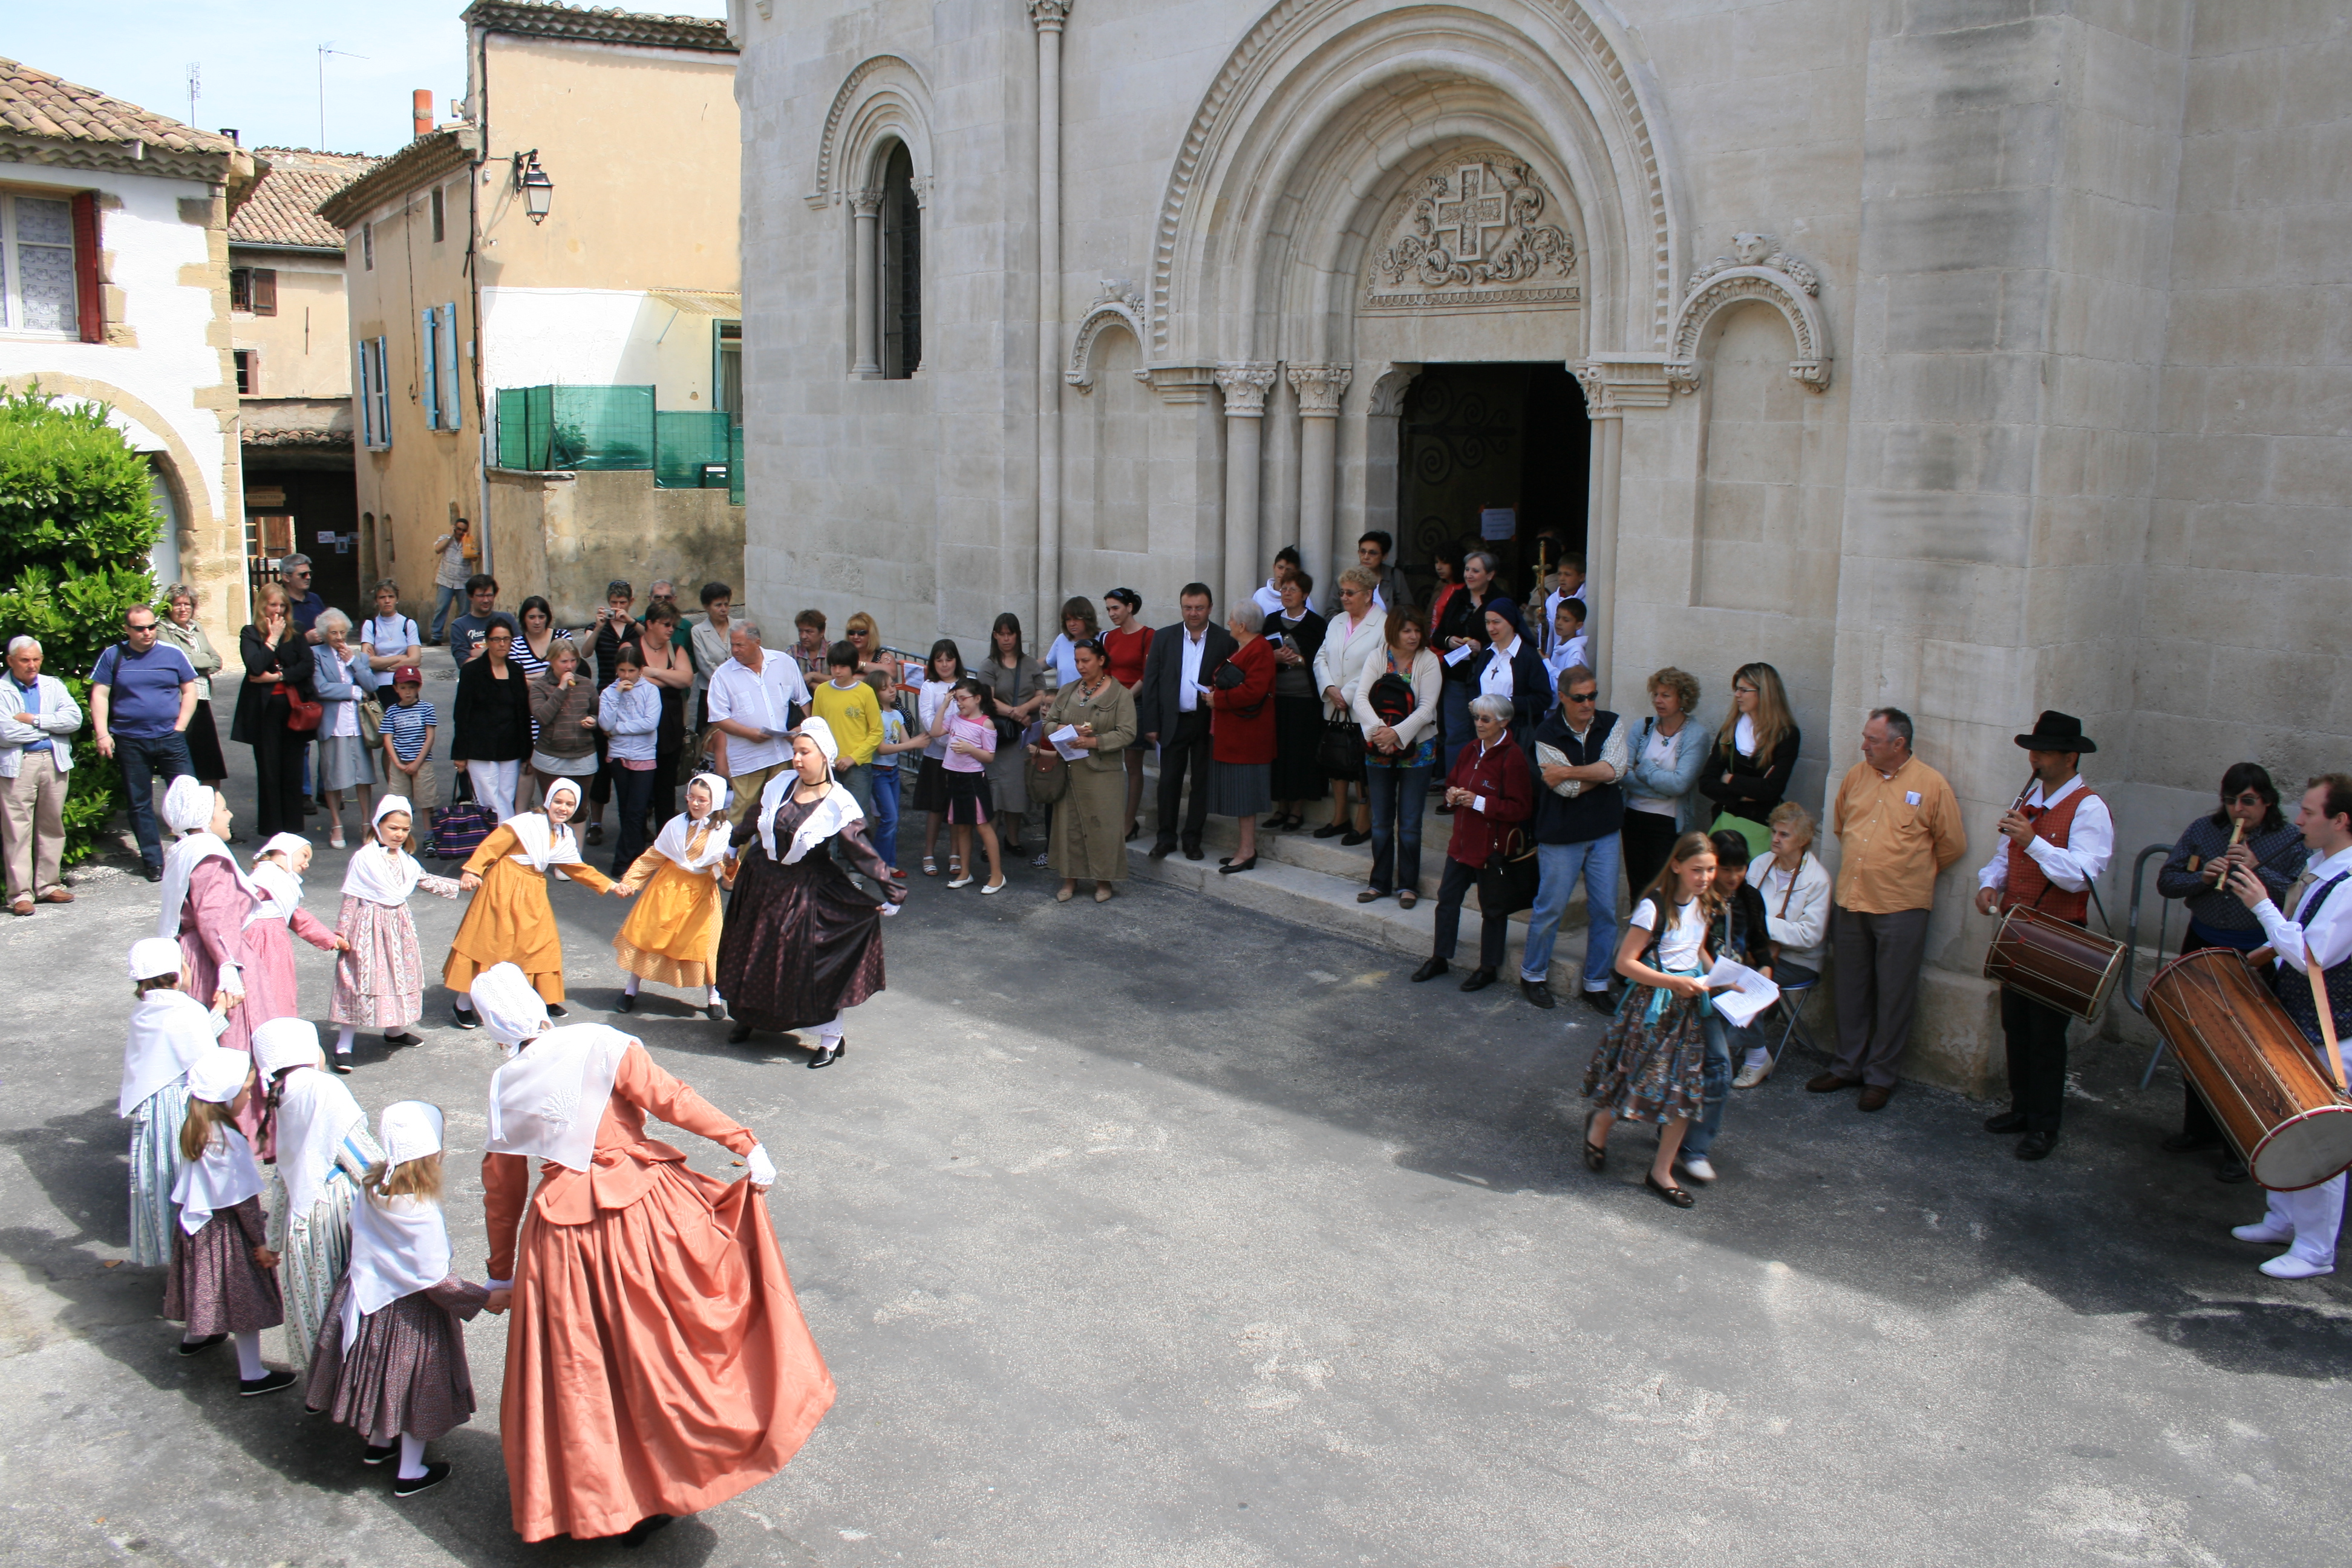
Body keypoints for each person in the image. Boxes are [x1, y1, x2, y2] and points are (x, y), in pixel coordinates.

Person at [468, 962, 829, 1544]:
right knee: (668, 1350)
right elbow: (671, 1099)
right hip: (642, 1211)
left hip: (560, 1239)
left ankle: (607, 1499)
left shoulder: (505, 1084)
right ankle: (679, 1469)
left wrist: (500, 1274)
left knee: (585, 1373)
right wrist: (745, 1143)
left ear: (493, 1028)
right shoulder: (598, 1043)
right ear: (537, 1004)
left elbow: (502, 1190)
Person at [307, 1100, 493, 1499]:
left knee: (379, 1375)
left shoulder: (374, 1185)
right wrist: (483, 1299)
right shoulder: (419, 1209)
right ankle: (411, 1471)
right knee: (415, 1387)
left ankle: (378, 1443)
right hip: (412, 1312)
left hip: (370, 1298)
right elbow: (435, 1279)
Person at [2223, 774, 2352, 1279]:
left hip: (2335, 1035)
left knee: (2323, 1142)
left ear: (2342, 820)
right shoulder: (2321, 866)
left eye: (2311, 812)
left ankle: (2316, 1251)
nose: (2300, 820)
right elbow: (2296, 938)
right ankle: (2282, 1220)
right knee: (2283, 1123)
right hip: (2301, 1022)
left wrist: (2260, 905)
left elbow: (2313, 954)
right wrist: (2264, 951)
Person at [1970, 711, 2114, 1160]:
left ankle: (2044, 1125)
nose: (2035, 758)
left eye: (2045, 751)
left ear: (2070, 757)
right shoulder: (2031, 794)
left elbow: (2082, 876)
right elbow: (2004, 854)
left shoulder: (2090, 808)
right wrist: (1990, 882)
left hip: (2060, 931)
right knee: (2015, 1023)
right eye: (2033, 750)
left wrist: (2034, 841)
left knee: (2048, 1033)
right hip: (2019, 925)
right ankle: (2021, 1107)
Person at [718, 720, 907, 1057]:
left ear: (825, 757)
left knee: (807, 963)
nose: (797, 759)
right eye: (795, 752)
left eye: (804, 752)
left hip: (803, 890)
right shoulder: (781, 784)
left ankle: (831, 1038)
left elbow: (860, 851)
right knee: (752, 953)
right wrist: (734, 843)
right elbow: (756, 817)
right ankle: (748, 1017)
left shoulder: (839, 803)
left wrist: (891, 890)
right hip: (760, 881)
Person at [2155, 763, 2308, 1178]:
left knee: (2243, 1052)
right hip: (2202, 942)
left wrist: (2258, 869)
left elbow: (2300, 894)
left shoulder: (2289, 839)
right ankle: (2198, 1129)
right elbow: (2167, 880)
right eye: (2231, 800)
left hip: (2253, 954)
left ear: (2267, 801)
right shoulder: (2205, 831)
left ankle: (2239, 1145)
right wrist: (2201, 877)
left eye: (2248, 801)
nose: (2239, 810)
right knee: (2194, 1038)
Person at [1813, 707, 1968, 1111]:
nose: (1864, 745)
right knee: (1849, 988)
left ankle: (1880, 1077)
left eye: (1873, 740)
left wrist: (1906, 874)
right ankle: (1847, 1065)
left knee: (1894, 994)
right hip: (1853, 898)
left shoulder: (1932, 785)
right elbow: (1840, 826)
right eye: (1865, 737)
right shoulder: (1855, 776)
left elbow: (1952, 845)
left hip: (1901, 907)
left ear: (1899, 744)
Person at [1581, 831, 1721, 1208]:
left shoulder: (1705, 903)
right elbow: (1625, 963)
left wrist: (1727, 978)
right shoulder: (1654, 907)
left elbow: (1698, 949)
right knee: (1637, 1081)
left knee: (1684, 1094)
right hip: (1652, 1009)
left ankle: (1661, 1172)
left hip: (1687, 1011)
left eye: (1710, 870)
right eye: (1697, 870)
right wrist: (1675, 982)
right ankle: (1602, 1122)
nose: (1705, 877)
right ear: (1676, 865)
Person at [251, 1017, 377, 1377]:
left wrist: (274, 1241)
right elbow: (362, 1158)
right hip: (336, 1212)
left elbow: (285, 1179)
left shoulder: (287, 1091)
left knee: (316, 1305)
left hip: (300, 1221)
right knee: (348, 1304)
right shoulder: (324, 1088)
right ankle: (354, 1386)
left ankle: (321, 1383)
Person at [444, 777, 625, 1028]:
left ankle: (544, 998)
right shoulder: (524, 824)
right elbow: (491, 847)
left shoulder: (563, 834)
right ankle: (463, 1004)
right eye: (559, 802)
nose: (563, 808)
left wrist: (611, 885)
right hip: (504, 885)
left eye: (570, 804)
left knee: (542, 943)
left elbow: (576, 867)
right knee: (491, 944)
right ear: (548, 801)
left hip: (533, 888)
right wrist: (473, 870)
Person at [166, 1046, 295, 1395]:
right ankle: (252, 1374)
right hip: (227, 1232)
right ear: (226, 1096)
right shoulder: (229, 1142)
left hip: (197, 1226)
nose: (249, 1097)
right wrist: (262, 1243)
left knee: (203, 1286)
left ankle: (196, 1336)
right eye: (245, 1090)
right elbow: (244, 1202)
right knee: (243, 1300)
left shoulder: (195, 1127)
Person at [1521, 665, 1630, 1013]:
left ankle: (1596, 984)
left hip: (1604, 832)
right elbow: (1567, 790)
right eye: (1580, 698)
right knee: (1550, 908)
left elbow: (1617, 769)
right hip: (1561, 835)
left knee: (1605, 911)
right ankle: (1533, 974)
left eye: (1593, 696)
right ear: (1563, 698)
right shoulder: (1546, 732)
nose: (1588, 704)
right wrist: (1600, 773)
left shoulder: (1611, 723)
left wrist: (1569, 770)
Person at [1673, 829, 1775, 1185]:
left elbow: (1761, 945)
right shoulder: (1699, 898)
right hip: (1697, 992)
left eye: (1741, 867)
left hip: (1731, 998)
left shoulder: (1749, 898)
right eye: (1725, 868)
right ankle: (1670, 1135)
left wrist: (1763, 972)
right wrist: (1715, 976)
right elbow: (1689, 947)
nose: (1733, 877)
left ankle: (1693, 1148)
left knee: (1716, 1069)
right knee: (1689, 1068)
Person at [1411, 694, 1533, 990]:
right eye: (1477, 717)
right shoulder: (1470, 749)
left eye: (1486, 719)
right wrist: (1452, 795)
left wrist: (1480, 802)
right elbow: (1453, 780)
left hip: (1493, 849)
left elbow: (1521, 808)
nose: (1479, 724)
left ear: (1503, 722)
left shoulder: (1512, 756)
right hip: (1462, 843)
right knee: (1448, 899)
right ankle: (1440, 957)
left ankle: (1488, 967)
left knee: (1492, 908)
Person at [331, 796, 460, 1063]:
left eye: (404, 829)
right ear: (378, 826)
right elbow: (351, 897)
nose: (399, 834)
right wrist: (342, 933)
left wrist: (460, 886)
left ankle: (394, 1029)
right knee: (362, 979)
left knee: (397, 974)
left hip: (398, 924)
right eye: (393, 828)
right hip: (368, 924)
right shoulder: (364, 859)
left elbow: (424, 880)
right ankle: (344, 1043)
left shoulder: (405, 860)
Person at [158, 779, 263, 1067]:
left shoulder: (183, 849)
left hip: (194, 951)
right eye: (224, 809)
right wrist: (228, 967)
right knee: (231, 1039)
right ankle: (230, 1107)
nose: (230, 815)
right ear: (205, 819)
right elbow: (215, 917)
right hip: (214, 956)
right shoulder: (208, 855)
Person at [121, 935, 211, 1268]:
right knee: (188, 1185)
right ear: (177, 974)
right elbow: (203, 1061)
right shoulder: (189, 1010)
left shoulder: (144, 1010)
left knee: (159, 1182)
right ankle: (197, 1269)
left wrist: (217, 1013)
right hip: (183, 1108)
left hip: (152, 1110)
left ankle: (170, 1263)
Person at [613, 773, 734, 1020]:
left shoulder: (724, 831)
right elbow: (654, 856)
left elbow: (727, 866)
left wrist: (730, 869)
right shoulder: (676, 824)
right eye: (692, 797)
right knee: (648, 936)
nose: (695, 803)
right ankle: (630, 990)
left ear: (716, 802)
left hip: (700, 891)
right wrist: (630, 882)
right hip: (667, 888)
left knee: (704, 944)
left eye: (702, 800)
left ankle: (713, 997)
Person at [93, 603, 201, 878]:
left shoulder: (172, 654)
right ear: (127, 629)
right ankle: (154, 861)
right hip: (130, 739)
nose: (147, 632)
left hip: (170, 737)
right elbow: (100, 695)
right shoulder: (113, 656)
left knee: (186, 798)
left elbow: (190, 689)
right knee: (139, 803)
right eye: (140, 628)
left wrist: (180, 727)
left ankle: (192, 856)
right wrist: (103, 733)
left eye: (152, 626)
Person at [1735, 800, 1833, 1087]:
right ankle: (1712, 1047)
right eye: (1774, 832)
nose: (1775, 839)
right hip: (1757, 952)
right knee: (1716, 970)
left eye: (1784, 834)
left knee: (1748, 983)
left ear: (1803, 840)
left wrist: (1762, 925)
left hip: (1798, 962)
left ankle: (1757, 1059)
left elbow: (1810, 936)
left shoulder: (1817, 880)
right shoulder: (1760, 864)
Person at [1137, 583, 1236, 863]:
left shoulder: (1224, 640)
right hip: (1172, 721)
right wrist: (1151, 724)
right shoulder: (1164, 637)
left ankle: (1193, 839)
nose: (1193, 613)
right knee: (1169, 782)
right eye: (1188, 608)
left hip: (1206, 723)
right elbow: (1152, 683)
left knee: (1201, 783)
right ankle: (1165, 838)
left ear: (1210, 608)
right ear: (1181, 607)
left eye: (1199, 608)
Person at [1350, 603, 1440, 907]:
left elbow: (1427, 708)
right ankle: (1379, 883)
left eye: (1417, 630)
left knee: (1411, 821)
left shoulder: (1428, 661)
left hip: (1418, 750)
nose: (1413, 636)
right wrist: (1380, 732)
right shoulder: (1378, 657)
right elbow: (1360, 698)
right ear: (1394, 632)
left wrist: (1397, 735)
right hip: (1379, 746)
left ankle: (1409, 885)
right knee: (1381, 820)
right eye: (1407, 630)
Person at [1036, 637, 1136, 901]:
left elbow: (1127, 733)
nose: (1080, 666)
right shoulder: (1068, 690)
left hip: (1103, 771)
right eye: (1077, 661)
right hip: (1069, 768)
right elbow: (1048, 723)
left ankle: (1104, 882)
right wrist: (1063, 730)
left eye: (1086, 661)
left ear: (1101, 660)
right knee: (1069, 825)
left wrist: (1093, 742)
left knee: (1102, 825)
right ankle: (1070, 880)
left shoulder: (1120, 694)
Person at [243, 833, 347, 1066]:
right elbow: (241, 907)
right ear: (284, 852)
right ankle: (273, 1049)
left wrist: (330, 939)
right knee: (273, 993)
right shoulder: (266, 878)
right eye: (304, 856)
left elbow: (297, 917)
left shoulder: (277, 880)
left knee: (277, 992)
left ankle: (272, 1047)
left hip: (274, 943)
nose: (306, 863)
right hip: (263, 943)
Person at [1, 635, 82, 913]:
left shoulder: (54, 685)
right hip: (19, 764)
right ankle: (20, 895)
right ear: (11, 661)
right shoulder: (1, 689)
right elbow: (4, 731)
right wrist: (50, 729)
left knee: (52, 825)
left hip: (53, 762)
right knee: (17, 829)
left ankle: (48, 885)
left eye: (36, 659)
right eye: (25, 660)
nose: (32, 665)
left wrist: (35, 720)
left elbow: (74, 719)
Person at [707, 619, 813, 829]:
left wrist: (803, 728)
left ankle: (774, 859)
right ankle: (736, 860)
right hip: (749, 759)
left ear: (757, 642)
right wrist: (748, 733)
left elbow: (803, 700)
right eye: (733, 644)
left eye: (740, 645)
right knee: (743, 815)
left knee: (780, 810)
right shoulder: (723, 675)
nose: (735, 650)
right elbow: (718, 717)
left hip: (782, 753)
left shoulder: (783, 662)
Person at [1621, 667, 1714, 901]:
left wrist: (1647, 769)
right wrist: (1662, 789)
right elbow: (1623, 773)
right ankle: (1639, 933)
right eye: (1656, 694)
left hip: (1668, 823)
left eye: (1666, 695)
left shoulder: (1696, 735)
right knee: (1638, 886)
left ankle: (1658, 935)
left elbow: (1680, 784)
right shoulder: (1641, 728)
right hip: (1633, 816)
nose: (1658, 700)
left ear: (1683, 699)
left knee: (1661, 887)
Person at [233, 583, 317, 840]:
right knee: (269, 771)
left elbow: (307, 666)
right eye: (273, 605)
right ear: (262, 606)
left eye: (282, 606)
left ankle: (292, 829)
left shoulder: (297, 632)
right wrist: (271, 640)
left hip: (293, 710)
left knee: (292, 769)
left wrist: (277, 677)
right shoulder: (250, 634)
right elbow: (255, 667)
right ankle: (272, 830)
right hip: (264, 713)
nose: (278, 610)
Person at [1699, 662, 1800, 859]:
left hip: (1762, 828)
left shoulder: (1786, 735)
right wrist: (1742, 797)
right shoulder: (1730, 730)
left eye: (1744, 690)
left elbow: (1772, 789)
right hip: (1726, 828)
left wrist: (1730, 780)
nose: (1737, 694)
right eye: (1736, 689)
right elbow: (1706, 783)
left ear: (1765, 693)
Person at [1206, 602, 1278, 875]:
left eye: (1232, 620)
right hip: (1237, 735)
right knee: (1240, 796)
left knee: (1245, 796)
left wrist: (1218, 699)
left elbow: (1254, 692)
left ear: (1242, 626)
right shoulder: (1246, 648)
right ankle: (1245, 848)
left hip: (1249, 738)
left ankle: (1247, 851)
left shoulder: (1260, 650)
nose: (1228, 624)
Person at [1313, 567, 1383, 844]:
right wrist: (1330, 688)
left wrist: (1348, 693)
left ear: (1367, 595)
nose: (1344, 597)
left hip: (1363, 705)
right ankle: (1339, 816)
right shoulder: (1337, 621)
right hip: (1334, 704)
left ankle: (1363, 822)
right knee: (1336, 762)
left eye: (1350, 593)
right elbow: (1321, 657)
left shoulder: (1383, 624)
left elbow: (1377, 664)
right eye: (1342, 592)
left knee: (1360, 766)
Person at [977, 613, 1047, 857]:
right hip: (1001, 735)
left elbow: (1041, 694)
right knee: (997, 789)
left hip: (1024, 735)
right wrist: (1017, 713)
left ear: (1017, 635)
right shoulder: (990, 665)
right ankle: (989, 843)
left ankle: (1013, 839)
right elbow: (987, 700)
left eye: (1011, 634)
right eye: (1002, 634)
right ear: (995, 636)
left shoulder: (1030, 664)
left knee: (1017, 789)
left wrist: (1026, 709)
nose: (1006, 639)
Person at [311, 610, 381, 849]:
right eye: (334, 633)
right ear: (323, 634)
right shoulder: (316, 654)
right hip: (334, 723)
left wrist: (352, 662)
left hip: (359, 723)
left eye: (343, 632)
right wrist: (352, 691)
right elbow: (320, 688)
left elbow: (372, 685)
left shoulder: (358, 656)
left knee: (364, 776)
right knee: (333, 777)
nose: (340, 637)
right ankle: (336, 823)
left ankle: (365, 823)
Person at [451, 621, 533, 823]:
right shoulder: (472, 671)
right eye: (496, 639)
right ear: (488, 642)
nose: (501, 644)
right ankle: (502, 844)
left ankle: (502, 845)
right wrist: (460, 753)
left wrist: (527, 751)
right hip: (480, 748)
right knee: (490, 802)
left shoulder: (516, 671)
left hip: (511, 747)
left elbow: (523, 713)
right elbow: (461, 714)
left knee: (507, 797)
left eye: (506, 639)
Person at [1265, 572, 1328, 832]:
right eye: (1284, 589)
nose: (1287, 593)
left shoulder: (1317, 624)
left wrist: (1300, 660)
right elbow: (1258, 656)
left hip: (1305, 701)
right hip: (1277, 699)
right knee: (1278, 754)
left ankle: (1297, 811)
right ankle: (1280, 808)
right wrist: (1275, 658)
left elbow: (1323, 659)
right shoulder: (1270, 621)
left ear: (1305, 595)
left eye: (1293, 589)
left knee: (1300, 754)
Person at [1432, 549, 1500, 781]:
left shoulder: (1499, 601)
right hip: (1457, 676)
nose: (1469, 575)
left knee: (1486, 733)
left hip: (1489, 678)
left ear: (1490, 575)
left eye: (1476, 571)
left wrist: (1484, 648)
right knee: (1455, 733)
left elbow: (1509, 639)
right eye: (1467, 570)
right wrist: (1448, 641)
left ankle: (1481, 786)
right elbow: (1437, 634)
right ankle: (1454, 787)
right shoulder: (1457, 598)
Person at [596, 644, 664, 875]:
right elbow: (604, 723)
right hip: (618, 755)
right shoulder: (608, 693)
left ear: (641, 670)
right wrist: (616, 696)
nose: (626, 676)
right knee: (625, 810)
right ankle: (635, 858)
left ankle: (623, 862)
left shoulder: (651, 691)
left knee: (637, 809)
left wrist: (617, 729)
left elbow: (649, 723)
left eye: (632, 671)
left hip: (644, 756)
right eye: (622, 671)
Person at [583, 581, 640, 846]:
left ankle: (634, 819)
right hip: (604, 695)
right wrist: (597, 627)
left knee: (634, 760)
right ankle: (596, 823)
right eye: (614, 603)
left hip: (634, 697)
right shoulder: (600, 625)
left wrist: (632, 621)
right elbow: (584, 652)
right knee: (602, 765)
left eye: (622, 603)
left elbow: (649, 640)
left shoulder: (634, 626)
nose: (617, 608)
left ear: (630, 602)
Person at [156, 584, 228, 789]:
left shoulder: (197, 627)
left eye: (187, 604)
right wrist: (202, 661)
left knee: (209, 760)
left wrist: (196, 662)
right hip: (179, 701)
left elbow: (217, 661)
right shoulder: (162, 628)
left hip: (202, 699)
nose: (183, 609)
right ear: (169, 607)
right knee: (182, 760)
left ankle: (212, 811)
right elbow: (175, 660)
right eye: (177, 604)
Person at [939, 679, 1008, 893]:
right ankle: (965, 872)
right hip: (954, 776)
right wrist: (944, 705)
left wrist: (969, 748)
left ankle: (997, 875)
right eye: (956, 699)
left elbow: (989, 757)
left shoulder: (986, 723)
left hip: (973, 779)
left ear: (977, 699)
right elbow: (934, 732)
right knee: (961, 826)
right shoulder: (954, 719)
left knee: (983, 827)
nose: (959, 703)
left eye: (963, 698)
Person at [809, 640, 884, 822]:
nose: (837, 671)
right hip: (829, 765)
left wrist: (853, 758)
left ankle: (858, 851)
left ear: (854, 666)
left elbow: (877, 732)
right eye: (834, 666)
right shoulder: (822, 691)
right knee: (829, 818)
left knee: (857, 819)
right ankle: (832, 853)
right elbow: (816, 728)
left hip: (857, 766)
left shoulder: (865, 692)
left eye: (843, 666)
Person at [1101, 588, 1154, 839]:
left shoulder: (1147, 635)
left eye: (1116, 608)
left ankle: (1129, 821)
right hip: (1113, 702)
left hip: (1136, 704)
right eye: (1109, 609)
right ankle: (1111, 815)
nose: (1112, 614)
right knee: (1109, 761)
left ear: (1130, 607)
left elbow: (1147, 673)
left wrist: (1124, 698)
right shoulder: (1110, 637)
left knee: (1133, 765)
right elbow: (1106, 672)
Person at [523, 633, 596, 813]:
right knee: (554, 811)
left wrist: (593, 720)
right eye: (564, 661)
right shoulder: (540, 686)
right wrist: (561, 688)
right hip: (550, 757)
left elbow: (597, 711)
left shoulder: (586, 684)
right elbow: (542, 717)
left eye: (573, 661)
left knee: (579, 811)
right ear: (551, 661)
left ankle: (576, 843)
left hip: (583, 756)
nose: (570, 666)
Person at [636, 599, 693, 829]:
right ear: (650, 624)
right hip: (639, 726)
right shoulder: (631, 648)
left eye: (673, 625)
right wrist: (670, 676)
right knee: (640, 788)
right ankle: (638, 838)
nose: (671, 629)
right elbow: (632, 679)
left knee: (666, 786)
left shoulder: (676, 650)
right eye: (666, 624)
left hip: (670, 725)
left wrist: (654, 673)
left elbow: (686, 679)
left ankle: (665, 837)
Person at [912, 639, 965, 877]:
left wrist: (957, 744)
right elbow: (927, 718)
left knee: (956, 805)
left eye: (949, 659)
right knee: (935, 807)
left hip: (962, 756)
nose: (945, 665)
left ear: (957, 661)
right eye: (939, 660)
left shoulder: (968, 684)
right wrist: (946, 741)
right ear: (933, 662)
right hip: (937, 754)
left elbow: (971, 715)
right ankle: (928, 853)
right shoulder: (929, 686)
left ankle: (955, 854)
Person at [1471, 598, 1546, 740]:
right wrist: (1475, 701)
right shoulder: (1487, 652)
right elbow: (1473, 684)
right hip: (1485, 733)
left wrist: (1508, 704)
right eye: (1487, 622)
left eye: (1496, 622)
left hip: (1515, 734)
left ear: (1511, 622)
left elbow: (1543, 698)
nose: (1490, 628)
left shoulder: (1528, 656)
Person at [867, 689, 916, 876]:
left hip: (893, 771)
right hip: (878, 772)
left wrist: (915, 742)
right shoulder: (876, 715)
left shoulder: (896, 714)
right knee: (890, 818)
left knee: (892, 818)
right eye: (884, 687)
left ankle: (888, 863)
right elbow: (881, 749)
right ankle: (879, 864)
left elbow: (905, 741)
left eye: (892, 685)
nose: (891, 689)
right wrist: (914, 744)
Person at [379, 668, 437, 817]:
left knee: (426, 800)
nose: (408, 692)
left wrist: (418, 762)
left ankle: (429, 834)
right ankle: (402, 835)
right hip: (399, 763)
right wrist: (397, 763)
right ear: (396, 689)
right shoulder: (392, 711)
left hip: (422, 762)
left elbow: (430, 736)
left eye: (412, 687)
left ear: (419, 687)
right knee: (398, 802)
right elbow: (388, 738)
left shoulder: (427, 708)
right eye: (403, 688)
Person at [445, 574, 519, 670]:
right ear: (470, 597)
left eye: (489, 595)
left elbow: (519, 653)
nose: (486, 600)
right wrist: (500, 654)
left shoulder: (507, 619)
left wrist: (483, 653)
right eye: (481, 596)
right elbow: (464, 662)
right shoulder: (459, 625)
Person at [426, 518, 479, 644]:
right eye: (458, 529)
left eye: (463, 530)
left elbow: (475, 558)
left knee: (465, 612)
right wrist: (450, 536)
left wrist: (469, 546)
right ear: (454, 528)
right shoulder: (445, 539)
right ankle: (436, 636)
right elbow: (438, 549)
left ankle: (462, 638)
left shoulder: (470, 541)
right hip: (446, 581)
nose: (460, 532)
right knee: (441, 609)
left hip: (463, 581)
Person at [691, 581, 736, 724]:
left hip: (739, 690)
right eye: (718, 605)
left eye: (726, 604)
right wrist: (726, 683)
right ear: (707, 607)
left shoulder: (739, 626)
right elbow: (704, 664)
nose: (724, 609)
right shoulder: (698, 631)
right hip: (711, 691)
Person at [359, 580, 422, 674]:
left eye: (391, 597)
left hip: (404, 680)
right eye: (382, 597)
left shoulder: (408, 624)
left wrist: (383, 666)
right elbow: (367, 661)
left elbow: (415, 660)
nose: (387, 601)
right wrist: (401, 657)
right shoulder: (370, 625)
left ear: (397, 599)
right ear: (376, 601)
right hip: (380, 683)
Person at [278, 554, 327, 644]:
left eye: (310, 574)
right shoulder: (279, 603)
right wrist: (305, 639)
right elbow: (275, 640)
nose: (308, 577)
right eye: (303, 575)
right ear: (286, 578)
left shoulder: (314, 598)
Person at [1543, 596, 1589, 687]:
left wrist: (1546, 662)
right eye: (1557, 617)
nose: (1559, 623)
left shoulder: (1576, 653)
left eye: (1566, 620)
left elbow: (1566, 685)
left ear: (1579, 625)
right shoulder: (1559, 646)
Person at [1357, 531, 1407, 613]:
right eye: (1363, 552)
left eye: (1372, 553)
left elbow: (1408, 610)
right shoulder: (1347, 578)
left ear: (1384, 556)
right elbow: (1332, 611)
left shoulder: (1395, 576)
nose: (1366, 557)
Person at [1250, 545, 1301, 619]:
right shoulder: (1260, 595)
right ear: (1274, 567)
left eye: (1289, 570)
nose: (1283, 573)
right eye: (1280, 568)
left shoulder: (1301, 597)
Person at [791, 607, 831, 688]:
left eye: (809, 632)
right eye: (800, 631)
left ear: (822, 632)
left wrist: (813, 676)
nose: (803, 636)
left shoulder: (833, 650)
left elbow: (842, 680)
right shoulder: (793, 652)